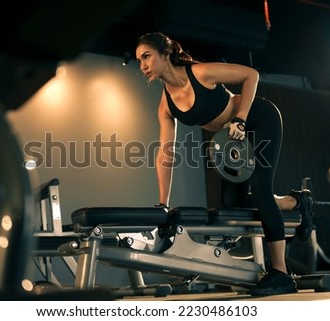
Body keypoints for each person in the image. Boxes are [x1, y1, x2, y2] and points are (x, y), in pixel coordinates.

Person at [135, 32, 314, 296]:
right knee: (233, 203)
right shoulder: (166, 105)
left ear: (165, 53)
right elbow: (166, 152)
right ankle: (297, 202)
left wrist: (240, 118)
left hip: (257, 119)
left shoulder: (201, 73)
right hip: (230, 141)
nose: (143, 65)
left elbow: (250, 74)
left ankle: (281, 273)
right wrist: (163, 203)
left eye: (147, 56)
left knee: (261, 189)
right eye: (139, 60)